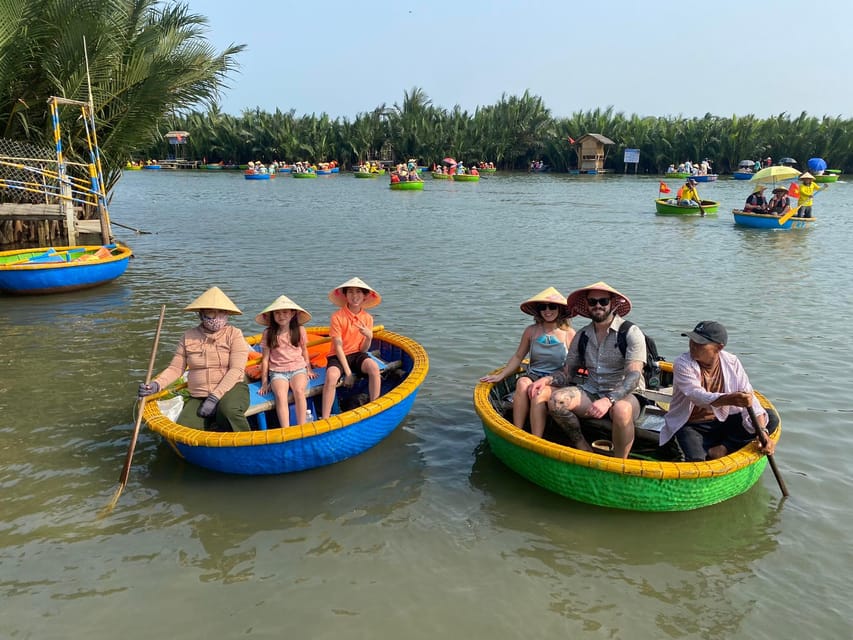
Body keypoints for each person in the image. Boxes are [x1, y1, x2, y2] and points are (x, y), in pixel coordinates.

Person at [529, 282, 646, 458]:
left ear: (612, 304)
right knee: (556, 400)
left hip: (625, 394)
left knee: (621, 410)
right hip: (592, 390)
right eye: (592, 302)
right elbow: (568, 372)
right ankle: (582, 446)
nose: (598, 305)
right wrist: (547, 380)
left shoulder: (630, 332)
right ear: (587, 305)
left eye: (603, 301)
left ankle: (620, 462)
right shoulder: (583, 335)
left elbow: (634, 376)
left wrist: (609, 400)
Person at [138, 287, 250, 432]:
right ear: (201, 314)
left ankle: (244, 445)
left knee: (228, 411)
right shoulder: (188, 336)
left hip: (232, 388)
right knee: (185, 427)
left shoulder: (234, 334)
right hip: (199, 394)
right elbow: (176, 368)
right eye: (211, 312)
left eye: (221, 312)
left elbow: (237, 369)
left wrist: (214, 398)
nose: (217, 317)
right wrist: (156, 385)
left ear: (227, 314)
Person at [659, 321, 773, 462]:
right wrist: (728, 399)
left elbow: (750, 400)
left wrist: (762, 431)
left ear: (719, 347)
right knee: (697, 461)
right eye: (692, 340)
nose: (693, 346)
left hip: (722, 422)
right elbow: (697, 395)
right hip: (691, 425)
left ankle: (723, 448)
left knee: (770, 418)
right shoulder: (683, 363)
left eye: (700, 343)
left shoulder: (732, 362)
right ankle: (722, 448)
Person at [480, 287, 575, 438]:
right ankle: (517, 431)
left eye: (552, 306)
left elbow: (571, 367)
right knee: (522, 383)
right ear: (538, 311)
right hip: (534, 374)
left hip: (556, 379)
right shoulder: (531, 331)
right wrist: (501, 375)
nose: (547, 311)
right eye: (543, 307)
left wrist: (551, 380)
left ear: (560, 309)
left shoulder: (569, 334)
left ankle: (536, 438)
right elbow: (518, 356)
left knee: (538, 392)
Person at [321, 277, 382, 419]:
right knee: (331, 377)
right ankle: (325, 417)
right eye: (351, 292)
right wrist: (348, 373)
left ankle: (375, 407)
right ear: (345, 295)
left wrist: (369, 337)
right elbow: (338, 347)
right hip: (338, 355)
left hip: (357, 354)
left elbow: (362, 350)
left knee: (374, 368)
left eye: (358, 292)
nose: (355, 296)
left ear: (365, 296)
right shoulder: (337, 317)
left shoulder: (367, 318)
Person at [255, 295, 317, 428]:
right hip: (277, 372)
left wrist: (309, 369)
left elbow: (304, 351)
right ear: (272, 315)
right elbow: (265, 359)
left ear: (292, 313)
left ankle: (302, 426)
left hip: (298, 368)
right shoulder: (268, 333)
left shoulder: (299, 330)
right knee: (280, 396)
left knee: (299, 391)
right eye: (277, 313)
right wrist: (265, 382)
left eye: (285, 312)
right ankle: (286, 429)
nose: (281, 316)